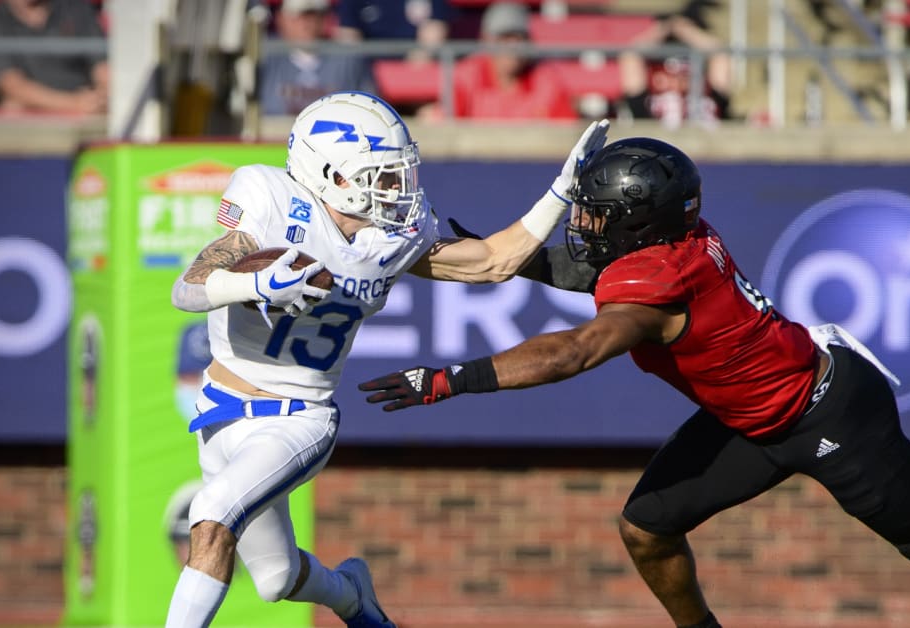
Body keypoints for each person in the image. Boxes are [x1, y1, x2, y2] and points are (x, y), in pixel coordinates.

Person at [361, 137, 910, 628]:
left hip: (824, 411)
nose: (582, 222)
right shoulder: (677, 238)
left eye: (597, 212)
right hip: (750, 413)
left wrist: (450, 380)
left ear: (638, 222)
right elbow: (585, 272)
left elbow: (577, 351)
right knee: (647, 530)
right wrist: (495, 255)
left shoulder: (654, 278)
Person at [166, 90, 609, 628]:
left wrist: (561, 191)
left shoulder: (390, 240)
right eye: (383, 175)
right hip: (221, 405)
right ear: (331, 175)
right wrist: (255, 282)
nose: (399, 189)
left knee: (210, 518)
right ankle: (352, 596)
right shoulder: (269, 198)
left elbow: (492, 261)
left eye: (399, 173)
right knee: (276, 580)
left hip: (298, 416)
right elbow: (187, 288)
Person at [424, 1, 576, 121]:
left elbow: (564, 131)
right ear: (486, 40)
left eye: (519, 38)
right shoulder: (466, 77)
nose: (513, 46)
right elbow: (446, 129)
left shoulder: (545, 79)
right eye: (504, 38)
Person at [619, 0, 734, 128]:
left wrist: (685, 30)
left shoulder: (705, 68)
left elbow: (720, 53)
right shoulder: (651, 67)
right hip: (659, 135)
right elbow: (630, 54)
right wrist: (665, 28)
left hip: (703, 133)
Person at [0, 0, 109, 114]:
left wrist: (101, 96)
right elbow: (11, 84)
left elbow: (102, 68)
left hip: (85, 100)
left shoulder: (76, 7)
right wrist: (73, 103)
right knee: (11, 109)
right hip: (36, 105)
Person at [259, 0, 376, 116]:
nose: (306, 24)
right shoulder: (266, 57)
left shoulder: (349, 58)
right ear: (281, 19)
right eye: (298, 17)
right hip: (277, 132)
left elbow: (370, 108)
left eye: (314, 16)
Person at [334, 0, 452, 63]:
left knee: (430, 109)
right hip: (366, 69)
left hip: (415, 65)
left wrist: (412, 67)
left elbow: (435, 29)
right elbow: (348, 34)